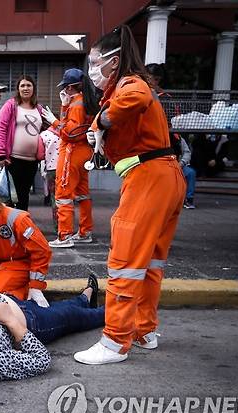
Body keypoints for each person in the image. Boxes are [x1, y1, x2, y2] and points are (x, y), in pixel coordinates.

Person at [73, 25, 185, 365]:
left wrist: (100, 123)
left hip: (148, 179)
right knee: (149, 264)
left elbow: (134, 100)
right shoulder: (130, 85)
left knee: (125, 261)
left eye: (95, 62)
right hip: (165, 177)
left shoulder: (129, 84)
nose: (92, 70)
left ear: (114, 61)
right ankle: (142, 330)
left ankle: (114, 341)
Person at [42, 68, 99, 248]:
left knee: (63, 193)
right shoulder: (86, 101)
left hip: (72, 152)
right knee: (82, 193)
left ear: (71, 87)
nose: (64, 90)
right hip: (84, 153)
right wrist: (64, 106)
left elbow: (69, 133)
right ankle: (85, 232)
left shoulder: (76, 104)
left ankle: (64, 235)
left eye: (66, 87)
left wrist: (54, 120)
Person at [145, 63, 197, 209]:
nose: (144, 81)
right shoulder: (144, 94)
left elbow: (171, 122)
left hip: (163, 143)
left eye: (148, 78)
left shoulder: (164, 98)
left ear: (157, 79)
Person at [0, 75, 44, 211]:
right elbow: (1, 129)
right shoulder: (10, 105)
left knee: (24, 196)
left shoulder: (39, 109)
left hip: (32, 161)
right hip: (13, 160)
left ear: (33, 88)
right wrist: (1, 155)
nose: (26, 88)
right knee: (11, 197)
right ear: (18, 89)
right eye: (22, 85)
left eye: (29, 85)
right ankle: (8, 227)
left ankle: (21, 226)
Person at [39, 128, 60, 228]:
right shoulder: (65, 133)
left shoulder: (44, 135)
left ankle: (58, 226)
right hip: (65, 168)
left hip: (51, 169)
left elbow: (40, 155)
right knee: (67, 199)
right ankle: (67, 226)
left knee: (54, 198)